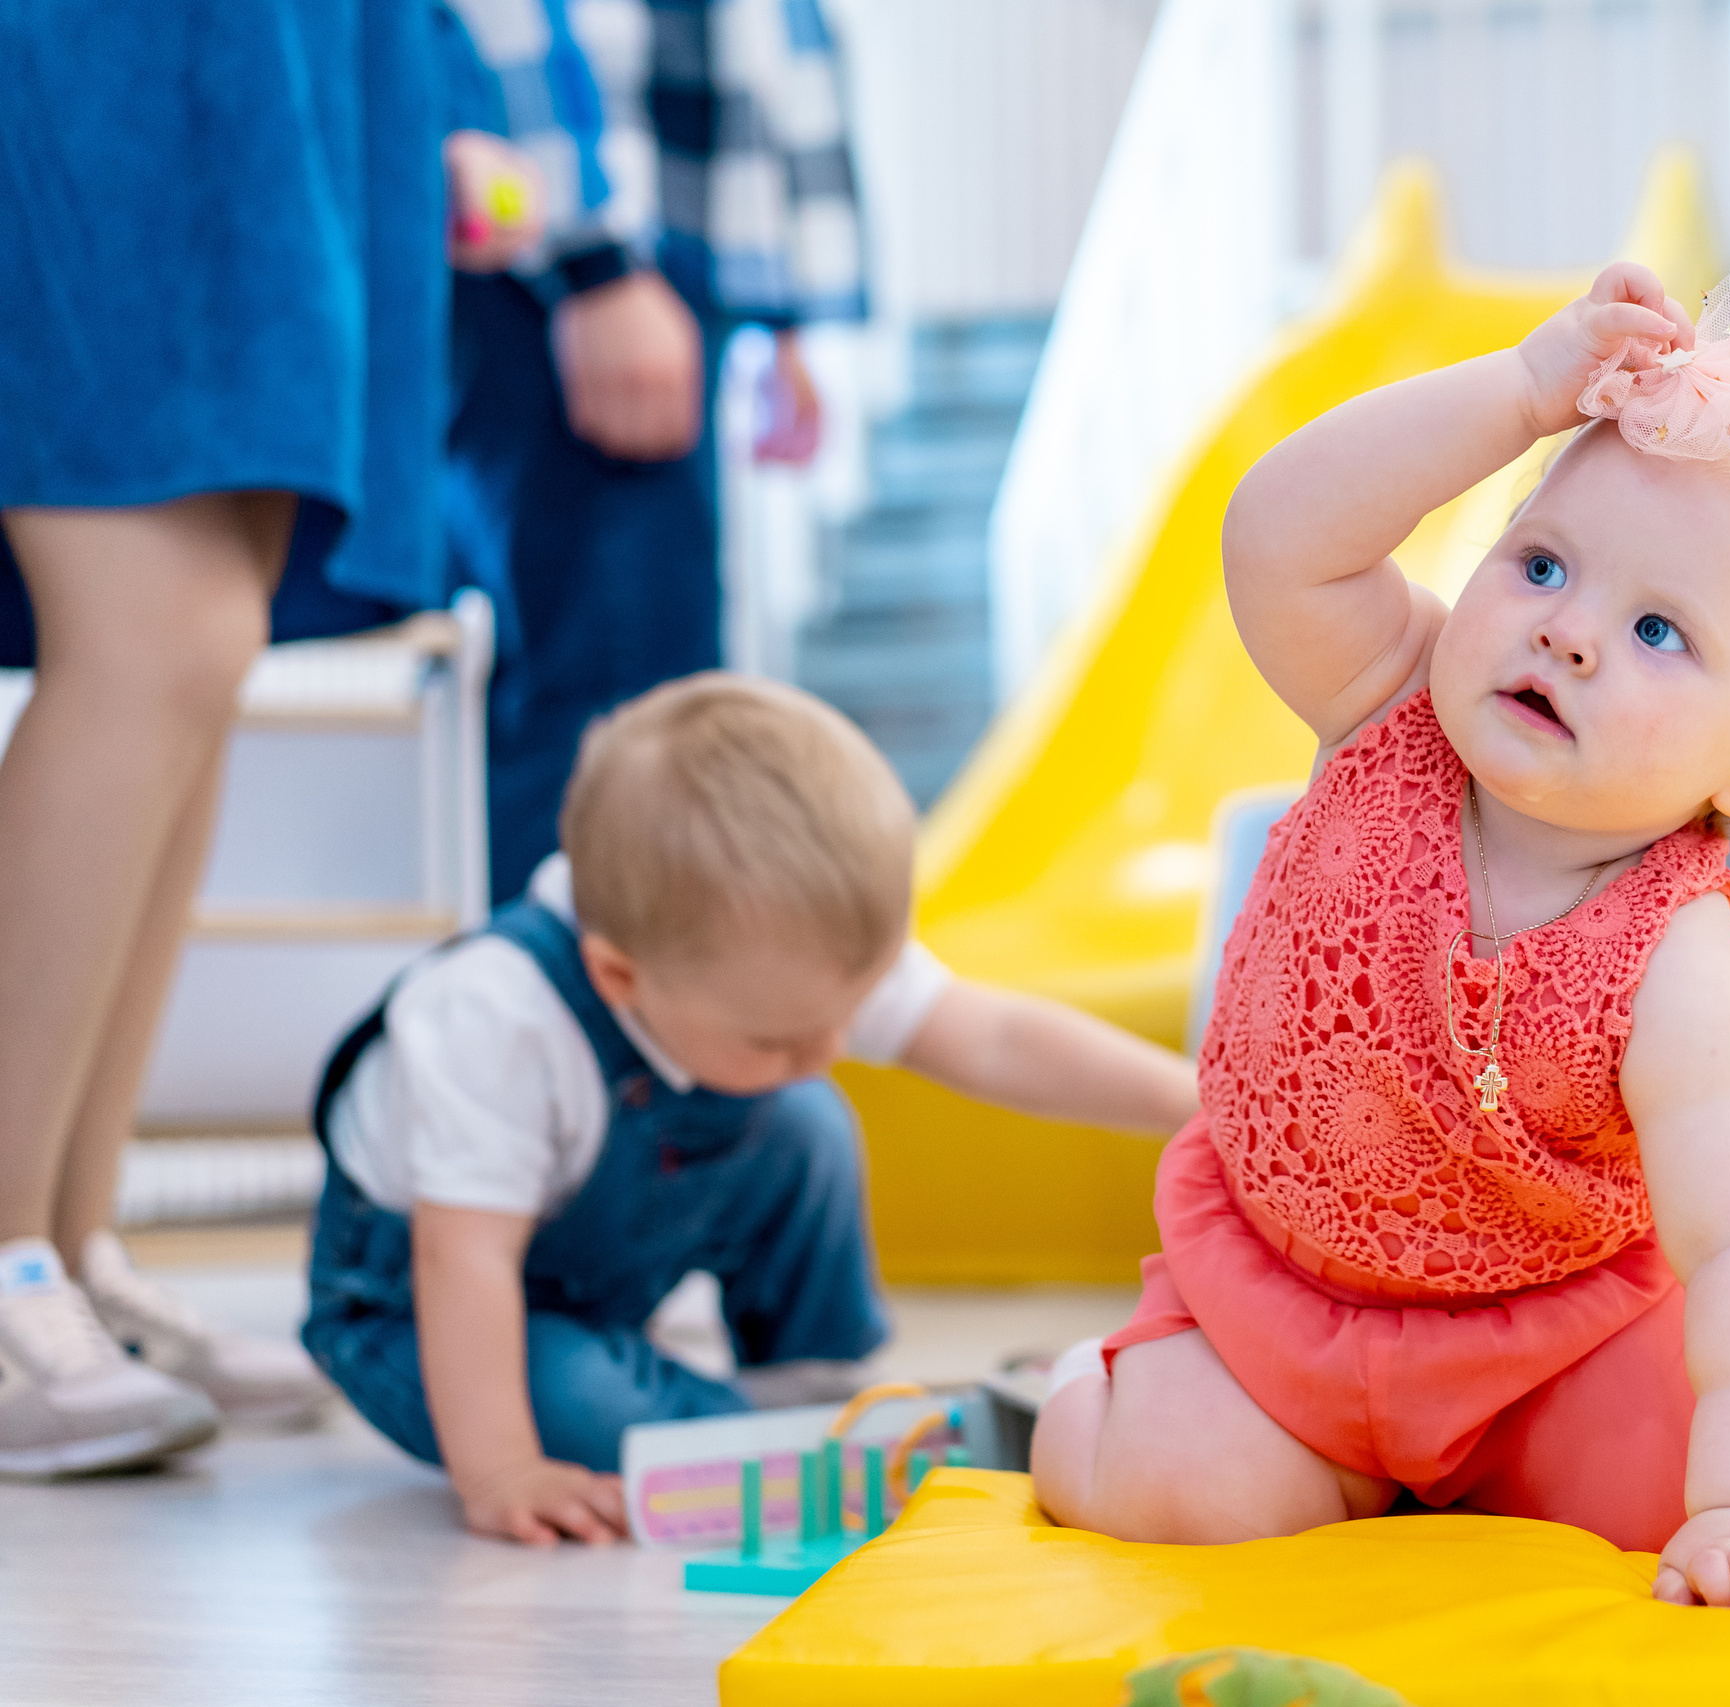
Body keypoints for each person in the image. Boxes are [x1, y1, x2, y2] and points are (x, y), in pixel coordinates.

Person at [1031, 266, 1730, 1611]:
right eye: (1543, 564)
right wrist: (1518, 392)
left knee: (1699, 1479)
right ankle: (1096, 1391)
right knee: (1177, 1494)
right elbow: (1275, 533)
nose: (1567, 628)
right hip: (1276, 1295)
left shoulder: (1680, 962)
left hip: (1549, 1337)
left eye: (1659, 628)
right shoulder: (1387, 699)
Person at [0, 1, 548, 1479]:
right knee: (153, 625)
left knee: (206, 643)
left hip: (287, 48)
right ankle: (3, 1259)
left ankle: (58, 1236)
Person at [301, 674, 1198, 1545]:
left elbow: (999, 1036)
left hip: (583, 1271)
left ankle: (819, 1383)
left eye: (846, 1015)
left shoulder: (781, 963)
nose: (830, 1045)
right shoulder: (494, 1017)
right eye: (778, 1037)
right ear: (622, 977)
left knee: (809, 1121)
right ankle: (771, 1438)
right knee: (588, 1406)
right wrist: (500, 1471)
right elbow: (462, 1257)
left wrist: (1197, 1100)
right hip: (421, 1309)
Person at [443, 0, 861, 904]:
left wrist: (777, 307)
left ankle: (633, 1030)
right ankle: (570, 1036)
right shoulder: (592, 263)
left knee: (654, 704)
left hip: (657, 246)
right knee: (611, 728)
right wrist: (591, 258)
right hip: (566, 254)